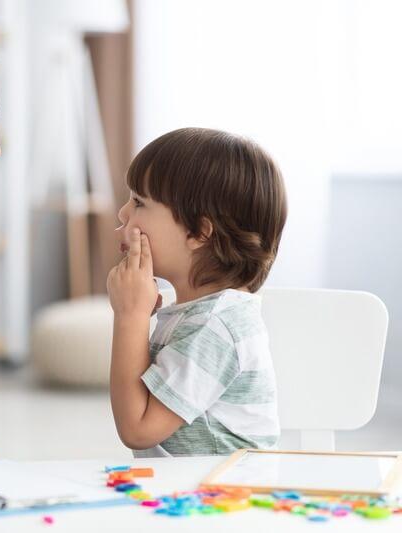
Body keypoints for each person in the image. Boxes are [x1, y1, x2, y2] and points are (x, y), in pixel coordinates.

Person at [106, 127, 287, 457]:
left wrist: (129, 317)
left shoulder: (216, 326)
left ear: (198, 232)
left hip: (224, 498)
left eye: (138, 202)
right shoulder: (199, 314)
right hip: (191, 493)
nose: (122, 213)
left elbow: (138, 429)